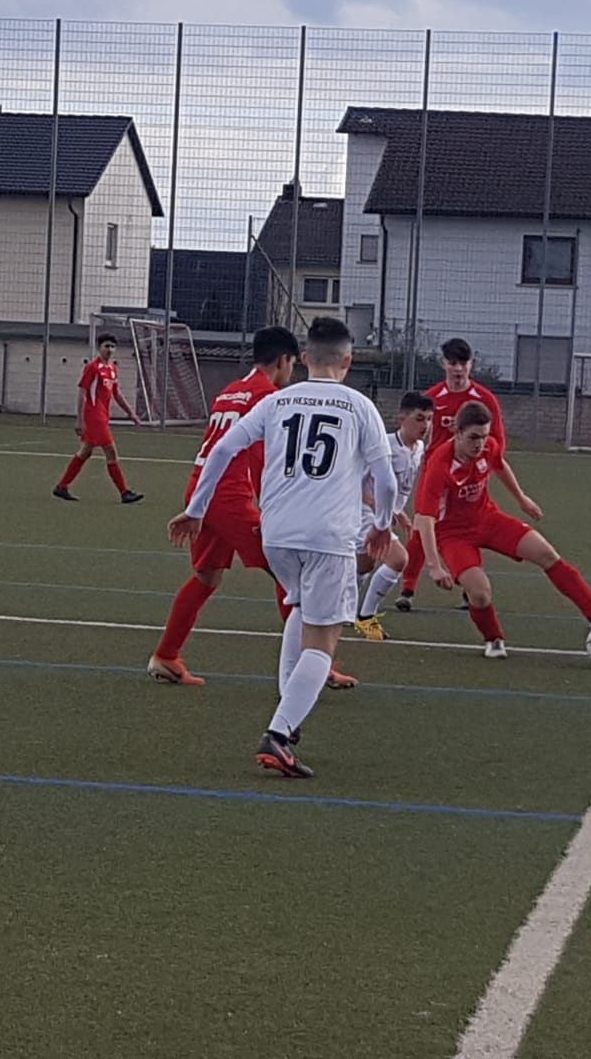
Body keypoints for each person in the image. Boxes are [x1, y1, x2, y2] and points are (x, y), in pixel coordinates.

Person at [168, 317, 397, 779]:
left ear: (306, 358)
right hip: (328, 537)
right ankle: (278, 733)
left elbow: (222, 450)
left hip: (277, 534)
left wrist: (195, 509)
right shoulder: (359, 406)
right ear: (348, 361)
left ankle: (288, 719)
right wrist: (383, 526)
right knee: (323, 640)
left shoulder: (276, 401)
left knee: (299, 609)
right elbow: (386, 480)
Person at [148, 326, 353, 691]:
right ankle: (312, 663)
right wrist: (275, 509)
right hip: (228, 496)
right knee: (290, 574)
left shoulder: (231, 390)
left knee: (207, 577)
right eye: (292, 364)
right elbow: (263, 458)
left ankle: (166, 655)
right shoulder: (268, 396)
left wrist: (199, 506)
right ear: (283, 360)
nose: (292, 372)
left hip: (202, 489)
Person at [414, 401, 591, 659]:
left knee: (546, 554)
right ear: (457, 433)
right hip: (453, 535)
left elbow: (500, 465)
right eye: (473, 437)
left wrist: (521, 498)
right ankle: (494, 639)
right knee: (480, 593)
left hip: (487, 519)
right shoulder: (439, 465)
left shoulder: (488, 447)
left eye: (484, 436)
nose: (480, 444)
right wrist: (434, 566)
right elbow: (424, 519)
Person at [397, 337, 506, 611]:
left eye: (463, 363)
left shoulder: (485, 399)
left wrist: (482, 463)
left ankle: (470, 589)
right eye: (453, 362)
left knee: (469, 529)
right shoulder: (433, 398)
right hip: (436, 474)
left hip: (469, 476)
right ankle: (408, 589)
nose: (458, 369)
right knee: (423, 525)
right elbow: (417, 431)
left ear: (471, 364)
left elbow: (498, 441)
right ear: (444, 364)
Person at [353, 391, 433, 640]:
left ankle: (342, 608)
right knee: (399, 559)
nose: (425, 425)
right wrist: (381, 510)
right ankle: (365, 618)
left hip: (382, 515)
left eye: (429, 419)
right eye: (419, 419)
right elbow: (355, 483)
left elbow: (399, 488)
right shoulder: (384, 446)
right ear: (402, 417)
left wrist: (399, 514)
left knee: (364, 565)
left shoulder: (419, 448)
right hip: (362, 512)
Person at [52, 333, 145, 503]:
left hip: (103, 415)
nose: (110, 350)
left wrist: (131, 413)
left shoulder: (112, 369)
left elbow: (117, 394)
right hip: (94, 416)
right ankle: (125, 492)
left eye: (112, 346)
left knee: (85, 452)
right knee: (111, 451)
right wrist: (79, 419)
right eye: (106, 346)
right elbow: (82, 393)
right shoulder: (93, 368)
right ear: (99, 348)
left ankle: (61, 486)